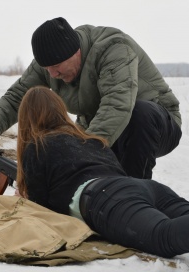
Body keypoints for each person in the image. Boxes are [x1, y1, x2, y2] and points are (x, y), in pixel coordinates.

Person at [0, 17, 182, 179]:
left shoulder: (114, 48)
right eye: (46, 69)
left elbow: (117, 106)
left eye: (57, 67)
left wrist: (80, 156)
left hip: (157, 126)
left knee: (139, 114)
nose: (52, 75)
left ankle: (136, 195)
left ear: (75, 51)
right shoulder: (50, 62)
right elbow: (16, 97)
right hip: (100, 130)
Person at [16, 86, 189, 258]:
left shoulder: (37, 146)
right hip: (144, 187)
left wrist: (24, 198)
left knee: (163, 236)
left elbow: (41, 211)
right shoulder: (91, 140)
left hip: (103, 197)